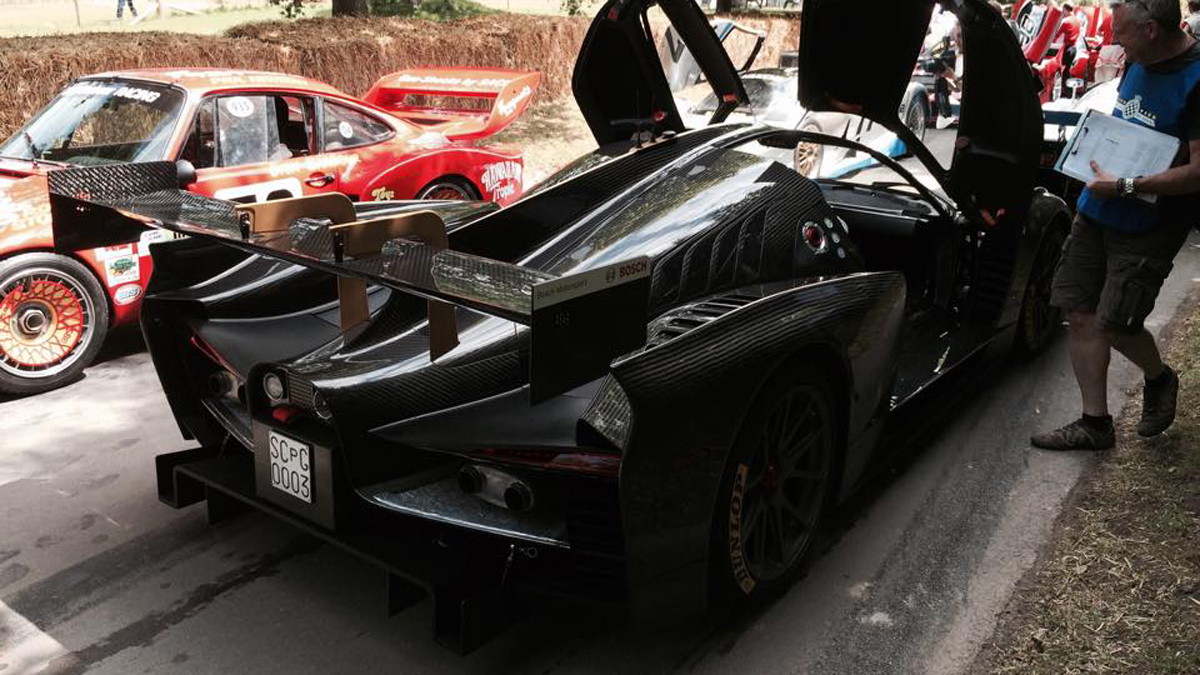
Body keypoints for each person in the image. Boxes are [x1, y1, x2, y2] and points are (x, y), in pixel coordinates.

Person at [1031, 0, 1200, 451]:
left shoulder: (1196, 78)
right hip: (1098, 207)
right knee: (1079, 312)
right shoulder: (1137, 59)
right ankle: (1095, 424)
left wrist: (1126, 186)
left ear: (1151, 29)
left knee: (1118, 324)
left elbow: (1198, 172)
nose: (1114, 43)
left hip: (1150, 221)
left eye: (1121, 33)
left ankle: (1159, 378)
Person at [1056, 3, 1083, 88]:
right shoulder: (1078, 21)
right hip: (1074, 48)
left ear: (1065, 9)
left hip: (1067, 48)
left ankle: (1064, 90)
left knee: (1062, 70)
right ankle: (1068, 89)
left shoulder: (1066, 21)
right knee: (1067, 70)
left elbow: (1056, 35)